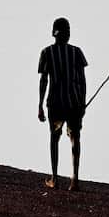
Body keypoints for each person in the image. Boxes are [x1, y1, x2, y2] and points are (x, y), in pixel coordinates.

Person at [37, 17, 87, 190]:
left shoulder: (46, 53)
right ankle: (75, 179)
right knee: (75, 138)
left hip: (55, 104)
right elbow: (82, 81)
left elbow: (44, 80)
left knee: (54, 138)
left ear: (53, 33)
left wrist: (40, 105)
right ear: (68, 34)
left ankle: (55, 178)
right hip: (74, 103)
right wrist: (82, 103)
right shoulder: (77, 52)